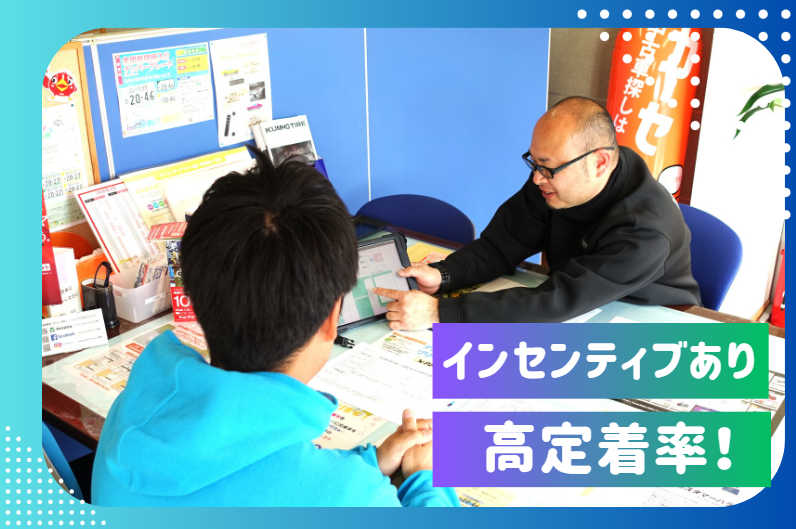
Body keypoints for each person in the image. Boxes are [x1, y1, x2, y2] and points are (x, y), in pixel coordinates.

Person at [92, 152, 458, 507]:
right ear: (332, 318)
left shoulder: (132, 411)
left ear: (196, 299)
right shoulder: (351, 496)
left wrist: (368, 465)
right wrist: (426, 477)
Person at [374, 97, 701, 328]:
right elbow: (501, 245)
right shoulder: (554, 178)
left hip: (650, 321)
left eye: (547, 167)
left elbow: (560, 299)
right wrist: (445, 275)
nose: (536, 179)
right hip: (577, 307)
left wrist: (440, 312)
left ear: (599, 162)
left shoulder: (644, 228)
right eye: (534, 162)